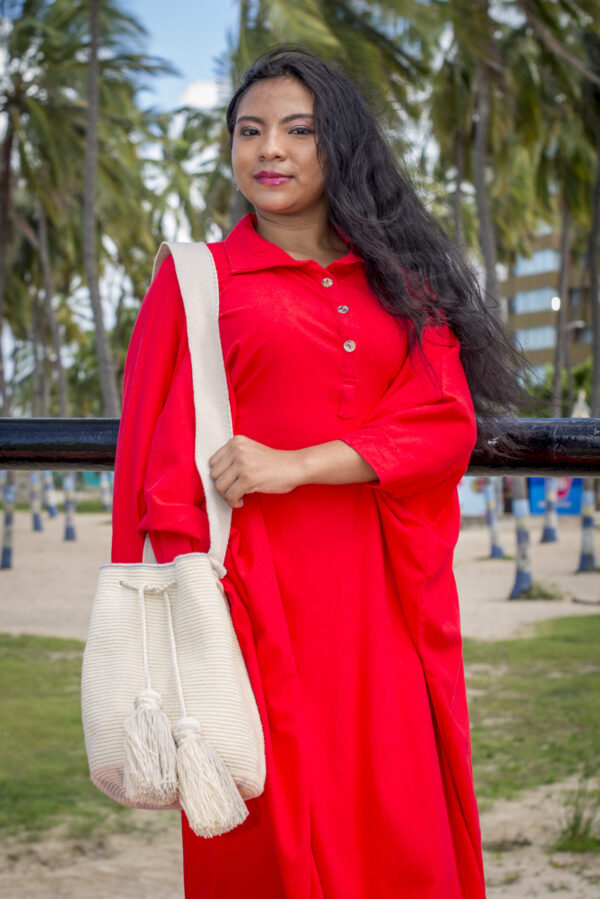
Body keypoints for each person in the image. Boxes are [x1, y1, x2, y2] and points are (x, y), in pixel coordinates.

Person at [112, 45, 525, 899]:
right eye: (250, 131)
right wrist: (187, 609)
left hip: (381, 602)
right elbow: (154, 463)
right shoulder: (197, 281)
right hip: (248, 602)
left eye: (298, 131)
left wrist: (295, 464)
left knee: (397, 821)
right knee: (269, 828)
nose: (270, 150)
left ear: (340, 146)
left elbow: (443, 421)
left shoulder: (402, 282)